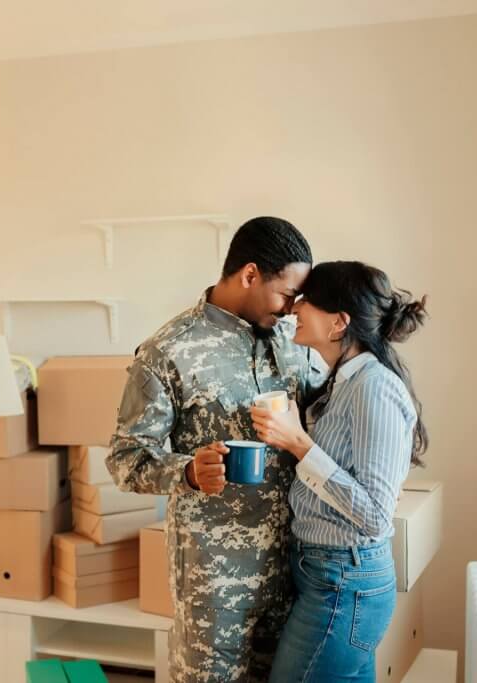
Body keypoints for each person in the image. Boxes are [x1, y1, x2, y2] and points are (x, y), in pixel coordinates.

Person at [107, 216, 323, 682]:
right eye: (286, 295)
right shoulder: (169, 350)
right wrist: (187, 471)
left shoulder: (294, 340)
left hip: (294, 569)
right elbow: (126, 460)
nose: (291, 309)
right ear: (249, 275)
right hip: (214, 580)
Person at [250, 261, 428, 683]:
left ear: (339, 323)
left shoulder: (375, 387)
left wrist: (299, 443)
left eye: (307, 299)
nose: (294, 306)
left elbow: (374, 515)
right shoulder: (343, 381)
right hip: (327, 575)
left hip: (344, 583)